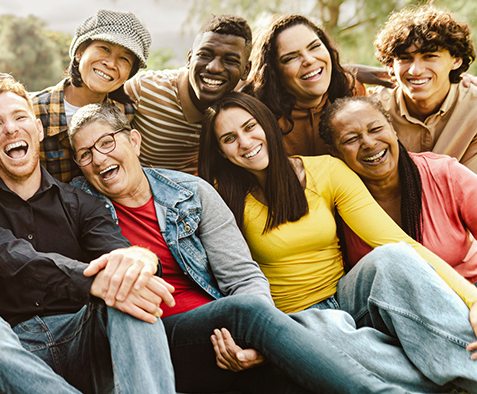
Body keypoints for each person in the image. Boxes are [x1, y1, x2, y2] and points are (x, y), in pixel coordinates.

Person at [67, 102, 404, 393]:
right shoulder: (78, 205)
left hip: (220, 333)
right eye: (85, 154)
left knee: (292, 379)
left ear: (135, 141)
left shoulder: (190, 192)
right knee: (245, 311)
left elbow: (242, 276)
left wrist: (253, 344)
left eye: (107, 143)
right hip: (152, 338)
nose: (99, 159)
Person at [199, 92, 477, 391]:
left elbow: (396, 240)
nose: (245, 142)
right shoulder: (218, 197)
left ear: (267, 124)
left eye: (250, 126)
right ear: (221, 152)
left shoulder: (326, 171)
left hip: (348, 297)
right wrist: (265, 338)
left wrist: (473, 300)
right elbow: (231, 278)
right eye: (229, 138)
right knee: (329, 333)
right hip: (294, 319)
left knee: (392, 256)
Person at [0, 75, 175, 394]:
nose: (11, 129)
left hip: (82, 336)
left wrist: (139, 259)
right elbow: (10, 256)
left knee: (128, 290)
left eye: (20, 117)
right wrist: (94, 281)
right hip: (12, 349)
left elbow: (118, 255)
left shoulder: (83, 203)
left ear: (38, 130)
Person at [320, 95, 477, 280]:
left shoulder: (445, 174)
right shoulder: (332, 203)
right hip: (388, 305)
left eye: (376, 129)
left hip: (467, 292)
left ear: (393, 129)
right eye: (351, 139)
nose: (369, 143)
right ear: (335, 152)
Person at [32, 9, 151, 183]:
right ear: (79, 52)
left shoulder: (126, 113)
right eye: (104, 48)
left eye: (124, 59)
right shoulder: (34, 111)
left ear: (129, 74)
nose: (110, 63)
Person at [124, 14, 252, 174]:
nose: (214, 68)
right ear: (190, 58)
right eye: (205, 55)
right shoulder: (144, 89)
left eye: (230, 60)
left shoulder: (244, 110)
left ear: (246, 70)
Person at [368, 3, 477, 173]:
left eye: (430, 56)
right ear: (390, 65)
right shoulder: (372, 110)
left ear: (456, 60)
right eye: (405, 58)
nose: (415, 70)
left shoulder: (473, 108)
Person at [245, 14, 366, 156]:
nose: (309, 60)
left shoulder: (352, 89)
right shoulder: (255, 115)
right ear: (273, 71)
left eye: (314, 46)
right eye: (291, 57)